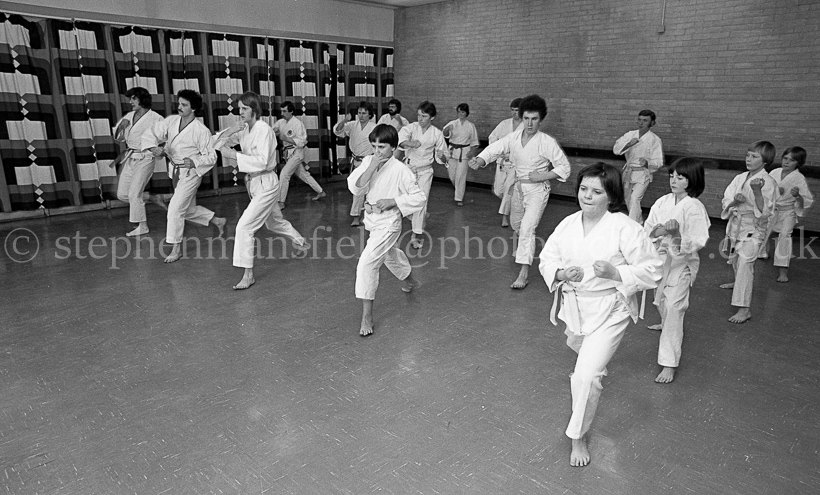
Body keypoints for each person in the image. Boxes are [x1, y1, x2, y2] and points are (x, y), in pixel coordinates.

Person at [538, 162, 662, 467]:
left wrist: (617, 272)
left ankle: (577, 436)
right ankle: (595, 362)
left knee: (585, 376)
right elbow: (547, 257)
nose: (587, 196)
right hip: (576, 307)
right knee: (582, 353)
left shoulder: (625, 228)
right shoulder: (567, 224)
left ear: (611, 196)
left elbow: (653, 269)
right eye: (583, 189)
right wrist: (561, 273)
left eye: (596, 191)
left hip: (610, 310)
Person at [470, 94, 571, 290]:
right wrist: (481, 160)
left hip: (537, 190)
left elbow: (564, 168)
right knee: (517, 225)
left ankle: (523, 272)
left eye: (534, 119)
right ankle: (524, 246)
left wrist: (542, 176)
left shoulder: (546, 141)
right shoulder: (514, 137)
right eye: (526, 118)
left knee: (526, 228)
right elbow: (496, 148)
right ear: (521, 118)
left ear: (540, 119)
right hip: (518, 186)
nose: (530, 123)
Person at [213, 92, 308, 290]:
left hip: (266, 181)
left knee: (244, 227)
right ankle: (300, 240)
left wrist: (235, 155)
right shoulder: (244, 129)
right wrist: (230, 131)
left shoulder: (264, 130)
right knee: (273, 222)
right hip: (254, 183)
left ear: (254, 110)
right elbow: (215, 144)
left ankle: (248, 275)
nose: (241, 112)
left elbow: (263, 161)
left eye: (244, 109)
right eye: (239, 109)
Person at [348, 124, 426, 337]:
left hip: (390, 223)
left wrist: (394, 201)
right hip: (372, 220)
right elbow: (356, 187)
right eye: (373, 146)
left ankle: (366, 315)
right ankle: (410, 281)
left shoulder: (401, 170)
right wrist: (372, 166)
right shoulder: (367, 161)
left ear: (393, 147)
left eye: (381, 146)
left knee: (367, 262)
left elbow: (419, 197)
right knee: (389, 254)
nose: (377, 151)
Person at [644, 157, 710, 384]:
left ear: (691, 180)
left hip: (681, 265)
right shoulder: (663, 201)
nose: (673, 180)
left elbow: (698, 241)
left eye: (679, 177)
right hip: (660, 261)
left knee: (674, 307)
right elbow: (648, 230)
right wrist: (657, 231)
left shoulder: (694, 207)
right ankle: (666, 321)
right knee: (663, 301)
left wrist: (677, 234)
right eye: (671, 176)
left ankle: (669, 364)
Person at [143, 89, 226, 263]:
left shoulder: (200, 130)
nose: (179, 107)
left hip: (190, 174)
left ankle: (176, 248)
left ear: (193, 108)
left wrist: (194, 162)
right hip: (174, 170)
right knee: (186, 210)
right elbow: (151, 134)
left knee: (174, 209)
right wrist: (153, 148)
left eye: (184, 105)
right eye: (179, 103)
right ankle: (216, 220)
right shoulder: (172, 121)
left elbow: (212, 156)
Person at [719, 141, 777, 323]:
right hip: (737, 224)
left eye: (754, 156)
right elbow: (726, 197)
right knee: (736, 260)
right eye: (747, 155)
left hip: (754, 228)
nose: (748, 159)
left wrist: (757, 192)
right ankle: (738, 283)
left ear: (765, 160)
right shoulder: (740, 177)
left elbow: (766, 213)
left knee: (745, 264)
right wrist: (734, 202)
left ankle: (744, 309)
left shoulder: (768, 182)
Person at [112, 86, 166, 236]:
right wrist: (121, 128)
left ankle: (143, 226)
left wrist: (157, 148)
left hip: (145, 158)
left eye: (133, 98)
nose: (130, 102)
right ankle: (150, 197)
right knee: (122, 194)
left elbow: (165, 137)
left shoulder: (155, 118)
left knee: (134, 194)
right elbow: (118, 137)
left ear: (142, 99)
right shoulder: (129, 116)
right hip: (130, 157)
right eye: (130, 99)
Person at [758, 147, 814, 282]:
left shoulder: (798, 178)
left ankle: (783, 270)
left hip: (788, 212)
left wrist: (798, 196)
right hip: (773, 209)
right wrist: (775, 190)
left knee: (784, 236)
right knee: (764, 231)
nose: (787, 162)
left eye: (792, 160)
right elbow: (765, 189)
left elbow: (806, 200)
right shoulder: (775, 172)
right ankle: (763, 252)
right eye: (785, 158)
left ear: (798, 163)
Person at [398, 101, 449, 249]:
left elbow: (443, 158)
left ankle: (415, 235)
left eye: (424, 116)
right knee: (403, 201)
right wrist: (409, 143)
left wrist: (443, 156)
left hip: (425, 171)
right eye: (419, 115)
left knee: (420, 202)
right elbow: (400, 140)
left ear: (431, 117)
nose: (420, 119)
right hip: (408, 169)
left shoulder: (436, 133)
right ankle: (420, 216)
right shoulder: (411, 128)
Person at [613, 110, 664, 223]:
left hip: (642, 174)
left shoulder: (655, 140)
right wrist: (629, 144)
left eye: (645, 120)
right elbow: (616, 149)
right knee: (627, 198)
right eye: (639, 120)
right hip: (628, 172)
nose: (641, 123)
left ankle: (632, 224)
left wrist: (647, 163)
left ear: (652, 123)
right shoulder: (630, 135)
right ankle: (639, 222)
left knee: (635, 198)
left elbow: (659, 161)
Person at [273, 101, 326, 209]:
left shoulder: (298, 124)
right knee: (303, 175)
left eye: (285, 111)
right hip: (288, 154)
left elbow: (302, 142)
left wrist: (287, 139)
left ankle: (281, 202)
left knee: (284, 175)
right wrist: (274, 131)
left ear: (291, 111)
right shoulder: (281, 122)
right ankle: (321, 191)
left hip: (297, 153)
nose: (282, 113)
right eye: (281, 111)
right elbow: (273, 130)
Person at [334, 101, 377, 226]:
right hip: (356, 161)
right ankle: (356, 216)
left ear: (370, 115)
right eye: (359, 113)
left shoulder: (374, 128)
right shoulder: (352, 125)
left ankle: (369, 216)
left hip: (369, 161)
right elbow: (338, 131)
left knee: (371, 190)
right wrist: (343, 121)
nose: (361, 115)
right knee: (358, 189)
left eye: (364, 113)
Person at [487, 98, 523, 227]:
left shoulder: (526, 126)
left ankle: (504, 218)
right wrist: (497, 150)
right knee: (498, 190)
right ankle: (513, 204)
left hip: (516, 164)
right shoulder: (504, 124)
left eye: (517, 110)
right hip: (501, 162)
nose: (515, 113)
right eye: (513, 110)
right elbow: (492, 137)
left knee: (508, 188)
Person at [442, 103, 479, 206]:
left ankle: (459, 198)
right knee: (452, 175)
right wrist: (446, 129)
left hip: (464, 153)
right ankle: (458, 189)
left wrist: (472, 151)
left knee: (460, 176)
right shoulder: (452, 123)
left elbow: (474, 141)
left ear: (466, 113)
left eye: (462, 112)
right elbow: (444, 135)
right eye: (459, 112)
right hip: (452, 151)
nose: (460, 114)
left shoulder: (470, 126)